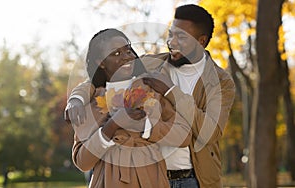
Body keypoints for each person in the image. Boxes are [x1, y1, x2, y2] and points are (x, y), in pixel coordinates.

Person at [66, 4, 235, 188]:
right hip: (153, 176)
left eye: (181, 37)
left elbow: (210, 131)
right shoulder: (152, 63)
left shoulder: (221, 81)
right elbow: (100, 79)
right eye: (171, 34)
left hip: (192, 178)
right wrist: (76, 99)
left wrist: (170, 91)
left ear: (201, 41)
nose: (172, 42)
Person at [66, 28, 192, 188]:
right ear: (101, 62)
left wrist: (145, 127)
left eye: (128, 50)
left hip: (151, 179)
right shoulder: (90, 101)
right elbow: (82, 162)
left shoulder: (151, 89)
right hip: (108, 181)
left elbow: (184, 135)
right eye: (116, 54)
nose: (127, 57)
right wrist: (112, 126)